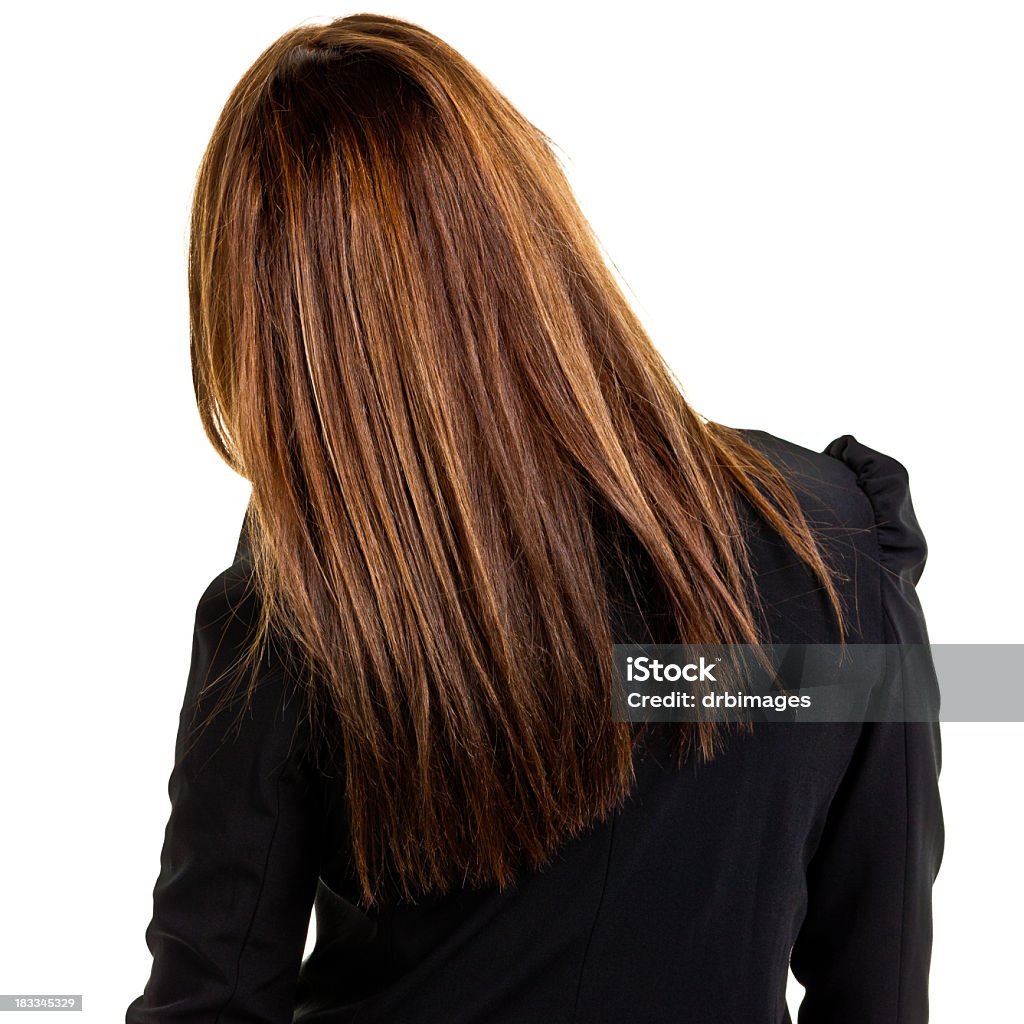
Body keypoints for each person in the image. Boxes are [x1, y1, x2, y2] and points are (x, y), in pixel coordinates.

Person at [125, 14, 944, 1023]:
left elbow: (210, 1001)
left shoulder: (294, 618)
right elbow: (881, 982)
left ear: (273, 335)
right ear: (526, 222)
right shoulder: (830, 539)